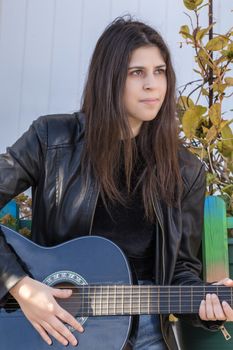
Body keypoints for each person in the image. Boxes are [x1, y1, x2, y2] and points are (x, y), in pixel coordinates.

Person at [0, 16, 232, 350]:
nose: (153, 84)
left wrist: (209, 306)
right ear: (108, 79)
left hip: (146, 329)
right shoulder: (51, 140)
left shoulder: (185, 171)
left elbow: (181, 269)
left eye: (160, 71)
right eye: (137, 72)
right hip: (53, 324)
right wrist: (21, 286)